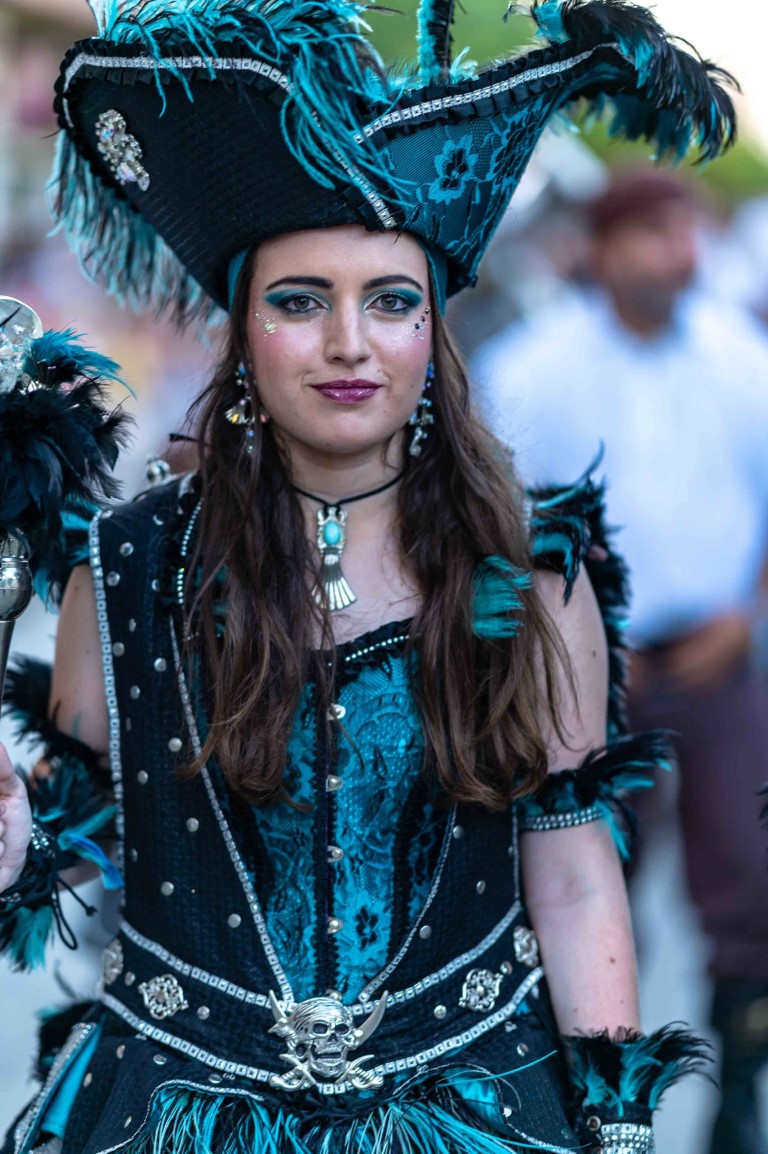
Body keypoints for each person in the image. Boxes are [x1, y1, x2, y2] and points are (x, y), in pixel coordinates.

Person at [0, 3, 736, 1153]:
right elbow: (81, 836)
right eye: (300, 301)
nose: (349, 341)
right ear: (244, 331)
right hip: (171, 1106)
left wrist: (619, 1128)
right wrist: (19, 842)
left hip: (479, 1101)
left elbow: (573, 869)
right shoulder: (127, 564)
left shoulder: (534, 573)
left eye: (391, 301)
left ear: (433, 331)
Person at [474, 169, 768, 1154]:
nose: (677, 251)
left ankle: (739, 1096)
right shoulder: (534, 368)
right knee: (584, 869)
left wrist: (748, 616)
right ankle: (584, 1097)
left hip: (720, 652)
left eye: (685, 231)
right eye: (651, 231)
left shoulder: (742, 357)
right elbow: (503, 529)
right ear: (601, 250)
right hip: (588, 669)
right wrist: (581, 650)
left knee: (753, 877)